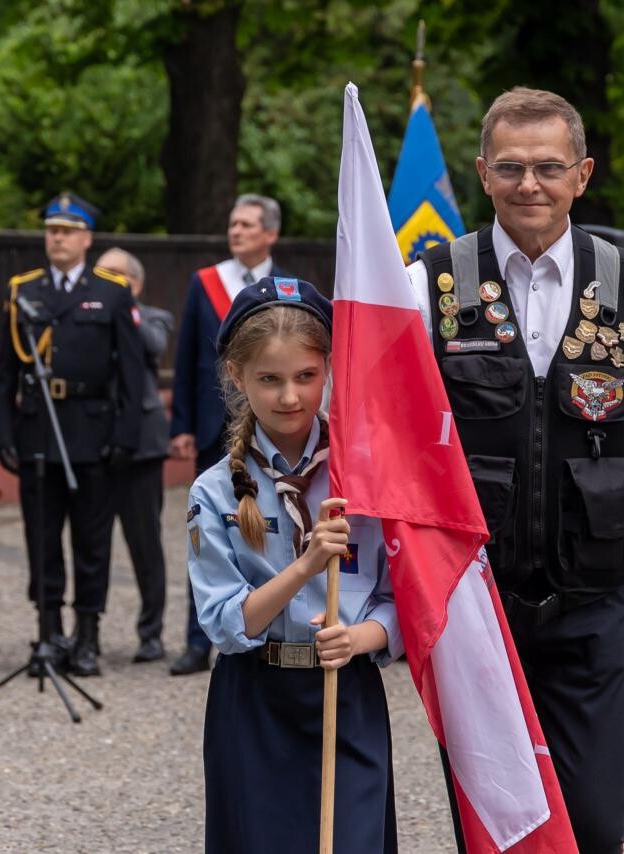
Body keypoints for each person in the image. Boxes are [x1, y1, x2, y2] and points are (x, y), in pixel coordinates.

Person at [407, 87, 624, 852]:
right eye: (510, 166)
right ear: (482, 172)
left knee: (599, 826)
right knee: (496, 833)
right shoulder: (430, 285)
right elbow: (391, 443)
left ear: (582, 174)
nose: (528, 184)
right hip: (476, 613)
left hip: (590, 606)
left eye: (547, 166)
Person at [186, 278, 402, 854]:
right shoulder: (214, 492)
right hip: (257, 701)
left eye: (306, 376)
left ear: (329, 370)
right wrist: (305, 567)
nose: (290, 397)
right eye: (269, 379)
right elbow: (226, 623)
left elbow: (402, 593)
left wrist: (363, 635)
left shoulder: (368, 475)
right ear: (237, 376)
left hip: (345, 691)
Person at [0, 193, 143, 677]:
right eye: (52, 230)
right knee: (41, 538)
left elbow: (131, 372)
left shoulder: (113, 292)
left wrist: (125, 434)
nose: (57, 237)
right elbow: (4, 375)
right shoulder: (23, 291)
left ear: (86, 238)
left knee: (91, 541)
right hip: (38, 430)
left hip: (90, 432)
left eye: (67, 230)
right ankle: (48, 632)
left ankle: (88, 635)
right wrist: (4, 433)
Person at [168, 193, 292, 676]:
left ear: (270, 234)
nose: (235, 231)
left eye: (246, 224)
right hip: (214, 427)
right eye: (233, 223)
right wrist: (181, 424)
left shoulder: (288, 288)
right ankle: (199, 639)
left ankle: (272, 626)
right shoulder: (206, 283)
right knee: (208, 530)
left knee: (272, 530)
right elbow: (185, 362)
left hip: (276, 428)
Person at [96, 248, 174, 663]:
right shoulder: (90, 317)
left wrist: (124, 305)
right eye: (100, 275)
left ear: (135, 284)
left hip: (141, 447)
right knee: (93, 544)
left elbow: (153, 345)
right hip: (96, 442)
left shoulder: (152, 315)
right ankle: (88, 631)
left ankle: (151, 632)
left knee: (144, 544)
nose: (104, 282)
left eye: (114, 276)